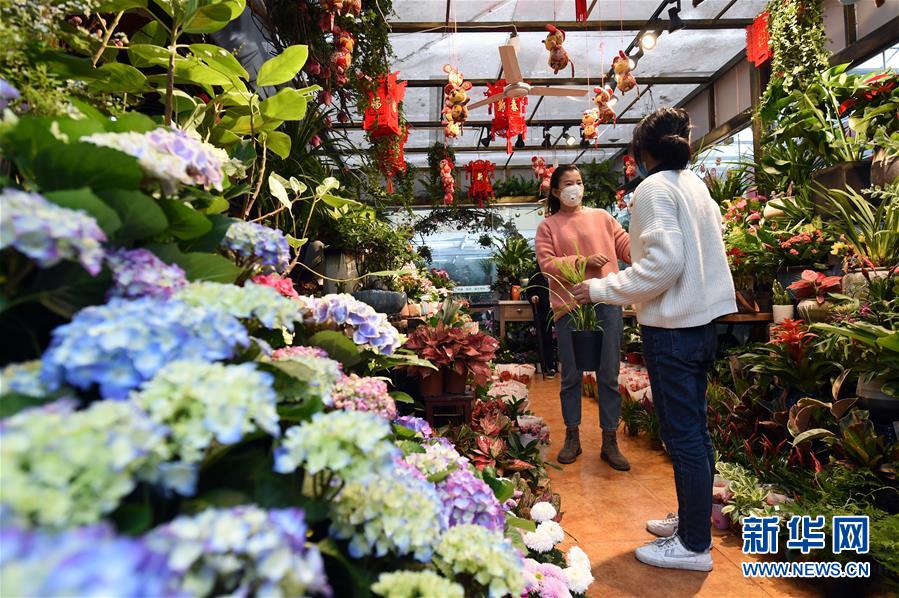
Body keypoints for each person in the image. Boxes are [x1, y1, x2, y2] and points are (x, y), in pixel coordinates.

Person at [571, 107, 736, 572]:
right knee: (695, 434)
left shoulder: (652, 189)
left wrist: (601, 288)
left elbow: (664, 264)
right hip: (701, 327)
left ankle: (692, 545)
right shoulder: (695, 186)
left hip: (673, 330)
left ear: (641, 153)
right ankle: (692, 522)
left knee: (682, 436)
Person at [535, 164, 631, 469]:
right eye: (567, 183)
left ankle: (610, 441)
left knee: (609, 373)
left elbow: (628, 247)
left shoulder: (603, 217)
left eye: (579, 181)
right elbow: (546, 264)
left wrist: (651, 241)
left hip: (607, 300)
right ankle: (572, 436)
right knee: (571, 374)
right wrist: (584, 261)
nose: (575, 187)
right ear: (555, 191)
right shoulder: (548, 226)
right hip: (569, 306)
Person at [524, 267, 557, 378]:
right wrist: (533, 297)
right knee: (546, 338)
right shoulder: (536, 275)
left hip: (562, 310)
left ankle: (568, 365)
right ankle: (549, 366)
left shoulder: (559, 271)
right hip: (544, 311)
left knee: (565, 338)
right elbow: (530, 290)